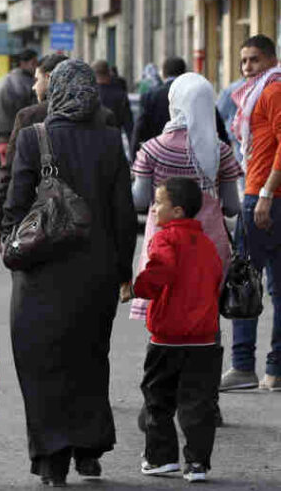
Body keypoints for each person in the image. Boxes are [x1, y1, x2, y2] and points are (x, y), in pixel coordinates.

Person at [3, 60, 136, 486]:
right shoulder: (109, 140)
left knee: (41, 364)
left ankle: (52, 459)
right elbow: (122, 214)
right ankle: (89, 450)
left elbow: (15, 206)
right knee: (90, 360)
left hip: (40, 274)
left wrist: (14, 248)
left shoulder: (32, 138)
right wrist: (121, 270)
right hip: (95, 274)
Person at [130, 72, 243, 321]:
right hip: (210, 247)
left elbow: (138, 200)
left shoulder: (152, 149)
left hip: (162, 245)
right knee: (206, 317)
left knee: (162, 315)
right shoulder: (220, 151)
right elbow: (233, 206)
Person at [133, 177, 224, 483]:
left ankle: (161, 458)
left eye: (159, 202)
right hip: (205, 340)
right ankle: (198, 463)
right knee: (199, 404)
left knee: (158, 399)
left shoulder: (165, 238)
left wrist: (139, 287)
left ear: (177, 211)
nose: (153, 207)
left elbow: (161, 269)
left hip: (168, 337)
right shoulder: (207, 244)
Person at [0, 54, 120, 249]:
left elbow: (11, 177)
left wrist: (1, 223)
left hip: (40, 235)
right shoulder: (105, 119)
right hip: (95, 237)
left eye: (37, 79)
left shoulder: (29, 118)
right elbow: (120, 200)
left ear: (51, 78)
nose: (34, 87)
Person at [224, 34, 281, 392]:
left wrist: (265, 193)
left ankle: (244, 365)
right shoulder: (258, 91)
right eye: (243, 60)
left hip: (262, 198)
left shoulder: (272, 90)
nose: (247, 68)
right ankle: (274, 371)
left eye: (255, 60)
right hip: (263, 194)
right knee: (275, 287)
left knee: (243, 282)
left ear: (272, 60)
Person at [0, 49, 38, 164]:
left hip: (3, 142)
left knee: (4, 176)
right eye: (33, 63)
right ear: (23, 63)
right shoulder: (33, 85)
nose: (36, 67)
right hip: (26, 142)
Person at [133, 57, 188, 158]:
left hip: (158, 157)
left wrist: (135, 158)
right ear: (184, 73)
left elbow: (140, 129)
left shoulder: (150, 96)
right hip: (189, 159)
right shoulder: (195, 95)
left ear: (163, 74)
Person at [93, 60, 134, 151]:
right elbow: (129, 128)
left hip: (92, 147)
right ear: (109, 73)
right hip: (114, 147)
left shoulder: (88, 95)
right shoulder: (120, 95)